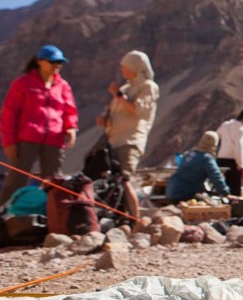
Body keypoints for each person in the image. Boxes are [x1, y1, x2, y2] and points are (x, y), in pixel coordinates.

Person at [0, 45, 78, 213]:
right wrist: (9, 142)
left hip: (54, 140)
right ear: (39, 61)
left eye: (60, 62)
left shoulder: (63, 85)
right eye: (53, 61)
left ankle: (51, 217)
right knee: (16, 179)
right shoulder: (22, 84)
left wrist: (71, 127)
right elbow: (9, 114)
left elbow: (69, 110)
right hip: (27, 139)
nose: (57, 65)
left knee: (52, 182)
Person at [98, 50, 159, 218]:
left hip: (130, 140)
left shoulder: (148, 87)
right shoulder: (125, 88)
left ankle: (135, 219)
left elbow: (137, 110)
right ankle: (120, 217)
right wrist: (105, 118)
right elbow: (113, 112)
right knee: (113, 181)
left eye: (125, 66)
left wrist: (118, 95)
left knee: (125, 180)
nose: (122, 70)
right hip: (114, 140)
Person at [166, 131, 230, 203]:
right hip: (185, 195)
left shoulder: (189, 153)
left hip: (171, 192)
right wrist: (225, 192)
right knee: (214, 203)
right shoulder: (206, 159)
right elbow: (216, 176)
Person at [216, 109, 243, 196]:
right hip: (232, 160)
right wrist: (240, 164)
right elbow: (239, 146)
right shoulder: (241, 129)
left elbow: (216, 136)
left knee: (222, 184)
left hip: (221, 158)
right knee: (235, 187)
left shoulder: (225, 125)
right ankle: (235, 207)